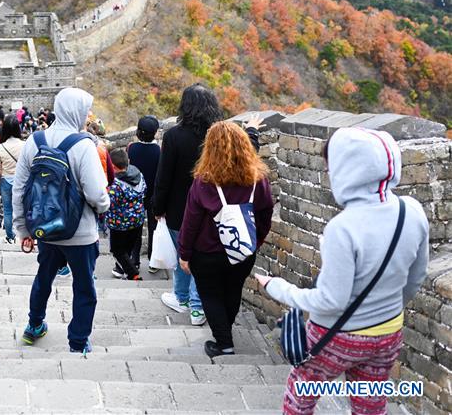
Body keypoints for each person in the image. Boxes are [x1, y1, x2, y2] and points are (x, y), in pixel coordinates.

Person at [258, 127, 429, 415]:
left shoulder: (343, 227)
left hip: (338, 335)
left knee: (301, 394)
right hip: (388, 333)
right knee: (370, 405)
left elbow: (331, 301)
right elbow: (416, 278)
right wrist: (384, 311)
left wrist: (276, 287)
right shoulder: (411, 210)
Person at [153, 84, 261, 327]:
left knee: (184, 251)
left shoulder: (173, 136)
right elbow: (248, 153)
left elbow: (164, 177)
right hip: (215, 210)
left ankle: (190, 303)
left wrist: (157, 207)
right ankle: (192, 302)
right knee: (198, 256)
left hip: (178, 209)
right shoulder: (222, 134)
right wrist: (252, 132)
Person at [13, 88, 110, 355]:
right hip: (80, 233)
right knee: (84, 287)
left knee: (44, 277)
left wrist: (23, 228)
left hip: (46, 230)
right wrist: (105, 205)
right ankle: (78, 343)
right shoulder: (83, 145)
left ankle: (34, 325)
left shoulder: (34, 141)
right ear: (77, 112)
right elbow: (97, 194)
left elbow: (19, 189)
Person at [178, 121, 274, 357]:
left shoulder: (204, 182)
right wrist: (256, 242)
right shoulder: (258, 179)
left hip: (206, 251)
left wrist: (184, 253)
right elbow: (266, 214)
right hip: (242, 251)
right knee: (232, 292)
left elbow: (191, 222)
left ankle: (223, 342)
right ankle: (225, 333)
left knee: (210, 294)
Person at [106, 149, 146, 280]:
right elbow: (145, 191)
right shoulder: (138, 175)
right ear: (127, 161)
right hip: (137, 219)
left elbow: (109, 203)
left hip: (119, 223)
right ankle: (120, 268)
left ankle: (132, 272)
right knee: (127, 248)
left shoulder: (115, 184)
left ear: (112, 166)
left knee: (117, 250)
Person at [127, 116, 160, 274]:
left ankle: (135, 259)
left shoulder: (132, 148)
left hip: (135, 193)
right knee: (154, 228)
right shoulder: (159, 151)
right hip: (153, 194)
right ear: (155, 133)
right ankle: (153, 260)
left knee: (136, 226)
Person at [0, 114, 24, 243]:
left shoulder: (0, 147)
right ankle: (25, 235)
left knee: (8, 210)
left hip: (6, 181)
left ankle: (10, 236)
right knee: (23, 209)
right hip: (21, 181)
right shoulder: (25, 145)